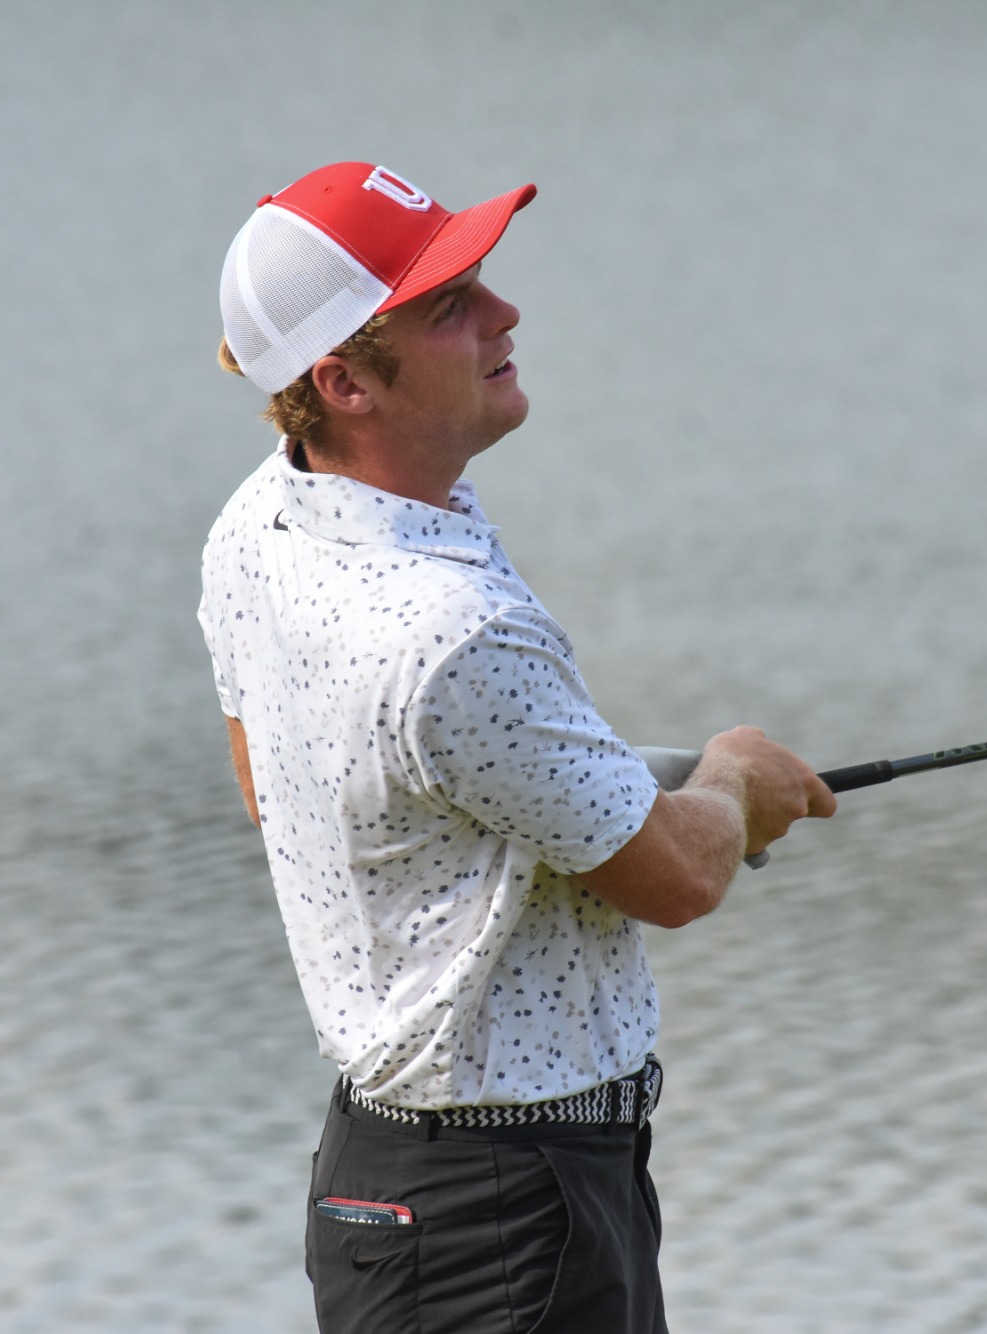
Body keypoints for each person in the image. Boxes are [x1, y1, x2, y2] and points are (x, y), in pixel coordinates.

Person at [198, 161, 836, 1334]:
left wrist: (544, 794)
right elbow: (676, 875)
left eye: (478, 280)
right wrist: (734, 781)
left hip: (382, 1186)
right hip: (508, 1216)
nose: (503, 313)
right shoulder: (453, 633)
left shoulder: (261, 521)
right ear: (341, 379)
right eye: (448, 306)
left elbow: (270, 789)